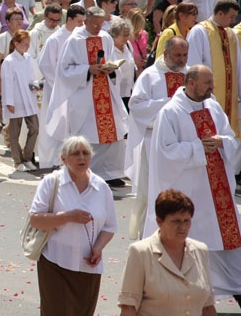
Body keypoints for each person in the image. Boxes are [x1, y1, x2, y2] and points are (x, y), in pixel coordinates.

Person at [144, 65, 241, 303]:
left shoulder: (214, 107)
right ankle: (194, 295)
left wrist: (222, 142)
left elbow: (230, 137)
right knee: (197, 243)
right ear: (190, 82)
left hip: (220, 195)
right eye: (207, 83)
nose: (212, 87)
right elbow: (164, 153)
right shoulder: (171, 112)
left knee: (228, 243)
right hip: (193, 192)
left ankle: (237, 289)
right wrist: (198, 148)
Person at [30, 136, 116, 316]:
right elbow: (35, 219)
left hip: (88, 266)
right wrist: (67, 217)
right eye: (75, 154)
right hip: (55, 262)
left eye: (85, 153)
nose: (81, 158)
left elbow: (110, 226)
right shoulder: (51, 182)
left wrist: (98, 248)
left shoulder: (101, 187)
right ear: (63, 159)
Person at [47, 6, 129, 187]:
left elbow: (113, 60)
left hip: (106, 92)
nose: (98, 28)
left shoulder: (105, 38)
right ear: (85, 21)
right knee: (88, 135)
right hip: (84, 95)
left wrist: (111, 69)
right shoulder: (75, 40)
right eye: (94, 24)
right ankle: (88, 172)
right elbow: (64, 70)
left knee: (112, 134)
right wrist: (88, 70)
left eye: (101, 24)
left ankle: (110, 172)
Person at [124, 36, 188, 240]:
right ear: (165, 53)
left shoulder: (190, 74)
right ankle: (146, 234)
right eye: (177, 55)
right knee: (150, 190)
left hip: (182, 144)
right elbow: (136, 106)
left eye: (185, 55)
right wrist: (169, 104)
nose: (181, 60)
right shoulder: (150, 75)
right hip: (154, 142)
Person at [119, 189, 216, 316]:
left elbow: (208, 306)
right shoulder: (140, 252)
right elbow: (128, 307)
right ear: (159, 221)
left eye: (186, 221)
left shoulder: (200, 250)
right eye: (176, 221)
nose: (182, 227)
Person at [37, 5, 86, 169]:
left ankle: (67, 158)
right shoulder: (56, 39)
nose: (82, 25)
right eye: (79, 21)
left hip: (76, 89)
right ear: (70, 19)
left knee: (72, 125)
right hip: (57, 89)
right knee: (55, 123)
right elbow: (45, 64)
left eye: (83, 21)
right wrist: (60, 83)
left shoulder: (81, 38)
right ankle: (49, 159)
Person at [186, 0, 241, 138]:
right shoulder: (200, 31)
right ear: (220, 13)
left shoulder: (231, 34)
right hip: (208, 96)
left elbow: (238, 66)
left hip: (231, 98)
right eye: (231, 17)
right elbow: (192, 66)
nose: (233, 21)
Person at [1, 29, 40, 171]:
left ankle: (27, 157)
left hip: (28, 97)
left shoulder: (28, 58)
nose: (27, 47)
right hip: (16, 99)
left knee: (35, 128)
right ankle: (18, 161)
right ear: (16, 44)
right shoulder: (9, 61)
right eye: (25, 44)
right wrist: (9, 102)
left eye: (28, 44)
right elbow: (7, 82)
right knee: (14, 132)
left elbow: (31, 76)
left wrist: (35, 85)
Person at [108, 19, 136, 109]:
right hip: (116, 94)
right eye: (124, 35)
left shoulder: (127, 45)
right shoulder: (109, 49)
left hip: (129, 93)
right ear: (115, 35)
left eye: (128, 35)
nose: (127, 38)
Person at [127, 8, 148, 77]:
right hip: (131, 72)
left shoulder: (144, 34)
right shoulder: (126, 37)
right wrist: (134, 63)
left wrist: (146, 60)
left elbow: (145, 51)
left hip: (143, 71)